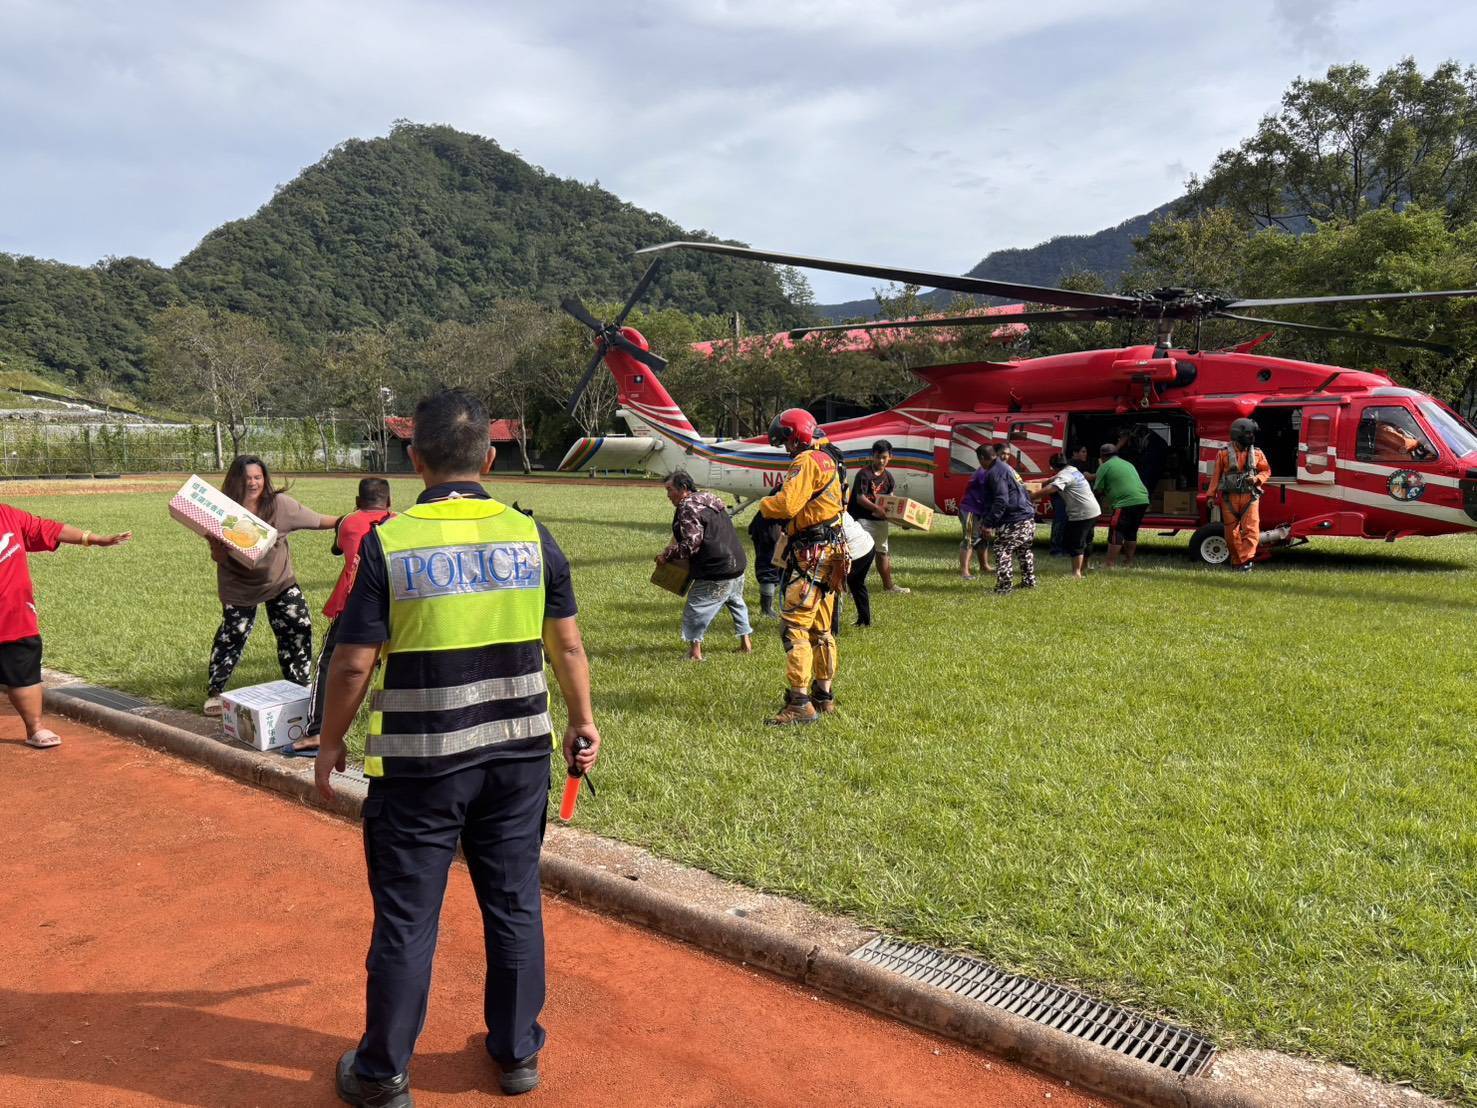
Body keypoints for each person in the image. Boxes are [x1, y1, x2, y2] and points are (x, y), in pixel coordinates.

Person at [314, 388, 599, 1104]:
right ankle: (515, 1054)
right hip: (517, 755)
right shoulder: (533, 537)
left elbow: (353, 663)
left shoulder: (389, 541)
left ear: (414, 459)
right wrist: (581, 719)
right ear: (490, 458)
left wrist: (329, 741)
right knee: (513, 903)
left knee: (409, 917)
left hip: (421, 765)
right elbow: (565, 643)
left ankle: (383, 1073)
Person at [203, 456, 338, 717]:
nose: (253, 483)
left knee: (298, 626)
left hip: (279, 580)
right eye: (247, 478)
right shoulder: (222, 510)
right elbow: (218, 558)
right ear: (236, 480)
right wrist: (218, 548)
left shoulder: (280, 505)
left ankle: (299, 686)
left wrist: (355, 519)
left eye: (258, 477)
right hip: (238, 584)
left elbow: (319, 520)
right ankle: (215, 692)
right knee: (233, 633)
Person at [0, 504, 130, 749]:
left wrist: (93, 539)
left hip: (14, 616)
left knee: (24, 673)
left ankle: (34, 727)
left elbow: (49, 529)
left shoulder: (7, 515)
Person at [759, 407, 847, 725]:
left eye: (785, 440)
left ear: (795, 435)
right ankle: (823, 696)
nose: (785, 448)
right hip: (832, 552)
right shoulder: (830, 458)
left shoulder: (806, 461)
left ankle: (799, 703)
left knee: (795, 627)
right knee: (821, 629)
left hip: (810, 554)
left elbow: (786, 504)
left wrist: (764, 503)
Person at [296, 478, 394, 753]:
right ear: (389, 502)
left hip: (353, 602)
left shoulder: (348, 521)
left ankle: (318, 730)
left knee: (330, 662)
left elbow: (338, 549)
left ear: (357, 502)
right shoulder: (399, 521)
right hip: (396, 605)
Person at [656, 470, 752, 661]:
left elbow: (692, 543)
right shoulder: (709, 497)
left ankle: (695, 653)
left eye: (670, 490)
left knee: (695, 607)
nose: (668, 496)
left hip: (716, 568)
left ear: (683, 488)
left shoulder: (687, 506)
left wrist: (666, 554)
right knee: (735, 601)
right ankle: (746, 643)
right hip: (737, 563)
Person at [847, 440, 910, 595]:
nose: (881, 460)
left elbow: (892, 502)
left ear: (890, 457)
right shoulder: (864, 474)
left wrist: (902, 520)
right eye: (878, 457)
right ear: (872, 456)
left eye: (884, 457)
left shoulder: (888, 477)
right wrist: (877, 508)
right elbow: (860, 498)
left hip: (879, 521)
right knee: (859, 553)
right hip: (862, 520)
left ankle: (888, 587)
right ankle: (851, 586)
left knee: (882, 553)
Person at [974, 444, 1038, 594]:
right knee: (1024, 550)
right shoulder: (1006, 468)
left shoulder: (995, 472)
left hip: (1015, 518)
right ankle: (1029, 582)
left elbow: (1001, 500)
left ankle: (1004, 588)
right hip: (1027, 516)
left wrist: (988, 524)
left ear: (982, 458)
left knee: (1002, 550)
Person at [1209, 417, 1272, 572]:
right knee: (1231, 535)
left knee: (1252, 531)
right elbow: (1216, 476)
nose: (1251, 438)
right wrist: (1210, 495)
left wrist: (1256, 479)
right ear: (1238, 435)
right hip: (1229, 499)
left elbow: (1266, 470)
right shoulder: (1223, 454)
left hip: (1250, 497)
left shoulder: (1257, 453)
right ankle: (1239, 561)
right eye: (1249, 434)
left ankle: (1244, 562)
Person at [1033, 452, 1100, 578]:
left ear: (1052, 467)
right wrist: (1028, 483)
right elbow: (1048, 480)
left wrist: (1031, 496)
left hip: (1082, 513)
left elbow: (1052, 488)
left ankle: (1076, 574)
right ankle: (1084, 567)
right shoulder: (1072, 470)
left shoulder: (1064, 476)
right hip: (1094, 510)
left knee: (1076, 543)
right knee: (1087, 541)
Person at [1093, 443, 1151, 569]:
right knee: (1131, 531)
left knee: (1116, 531)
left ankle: (1109, 564)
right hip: (1142, 499)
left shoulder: (1104, 466)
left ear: (1102, 456)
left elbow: (1098, 490)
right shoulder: (1127, 464)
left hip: (1125, 502)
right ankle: (1128, 562)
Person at [956, 446, 992, 581]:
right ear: (983, 458)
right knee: (969, 538)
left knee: (983, 537)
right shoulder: (984, 472)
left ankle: (984, 566)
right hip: (971, 509)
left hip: (981, 510)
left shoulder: (991, 470)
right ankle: (965, 571)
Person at [1048, 444, 1091, 555]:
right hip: (1062, 497)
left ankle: (1060, 548)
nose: (1085, 454)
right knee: (1061, 523)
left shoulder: (1071, 466)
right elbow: (1052, 487)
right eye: (1083, 451)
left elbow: (1051, 480)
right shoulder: (1074, 466)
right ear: (1074, 453)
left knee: (1063, 523)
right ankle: (1057, 549)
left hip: (1064, 497)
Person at [841, 509, 878, 628]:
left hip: (856, 552)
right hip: (868, 545)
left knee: (835, 588)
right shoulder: (836, 505)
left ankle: (832, 627)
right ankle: (864, 621)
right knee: (857, 583)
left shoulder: (825, 512)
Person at [747, 510, 784, 619]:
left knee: (782, 567)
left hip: (777, 523)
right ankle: (766, 609)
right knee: (768, 566)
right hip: (770, 526)